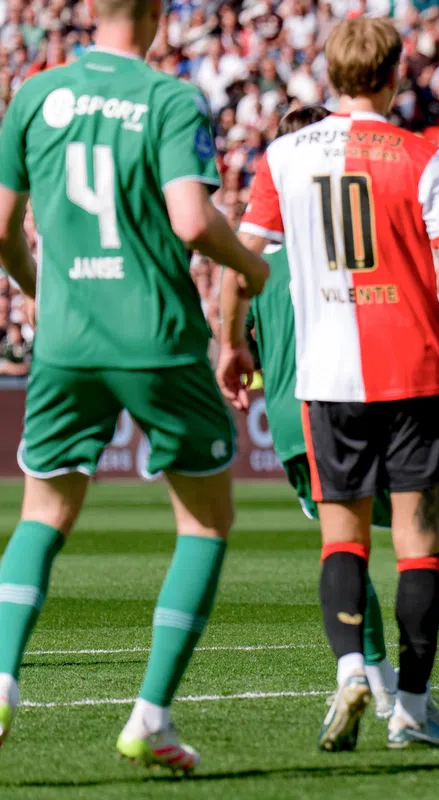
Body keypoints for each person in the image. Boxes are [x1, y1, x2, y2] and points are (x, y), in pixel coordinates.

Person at [0, 0, 269, 770]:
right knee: (205, 523)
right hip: (156, 337)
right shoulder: (169, 96)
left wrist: (34, 287)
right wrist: (252, 268)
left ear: (88, 10)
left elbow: (1, 229)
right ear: (155, 14)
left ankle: (1, 678)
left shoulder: (34, 93)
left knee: (42, 513)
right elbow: (191, 220)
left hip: (65, 339)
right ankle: (150, 716)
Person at [224, 18, 439, 749]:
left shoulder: (282, 156)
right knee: (419, 542)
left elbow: (240, 266)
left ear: (329, 73)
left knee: (341, 541)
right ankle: (414, 711)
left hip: (326, 375)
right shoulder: (422, 155)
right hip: (414, 369)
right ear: (395, 75)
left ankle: (349, 674)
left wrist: (228, 345)